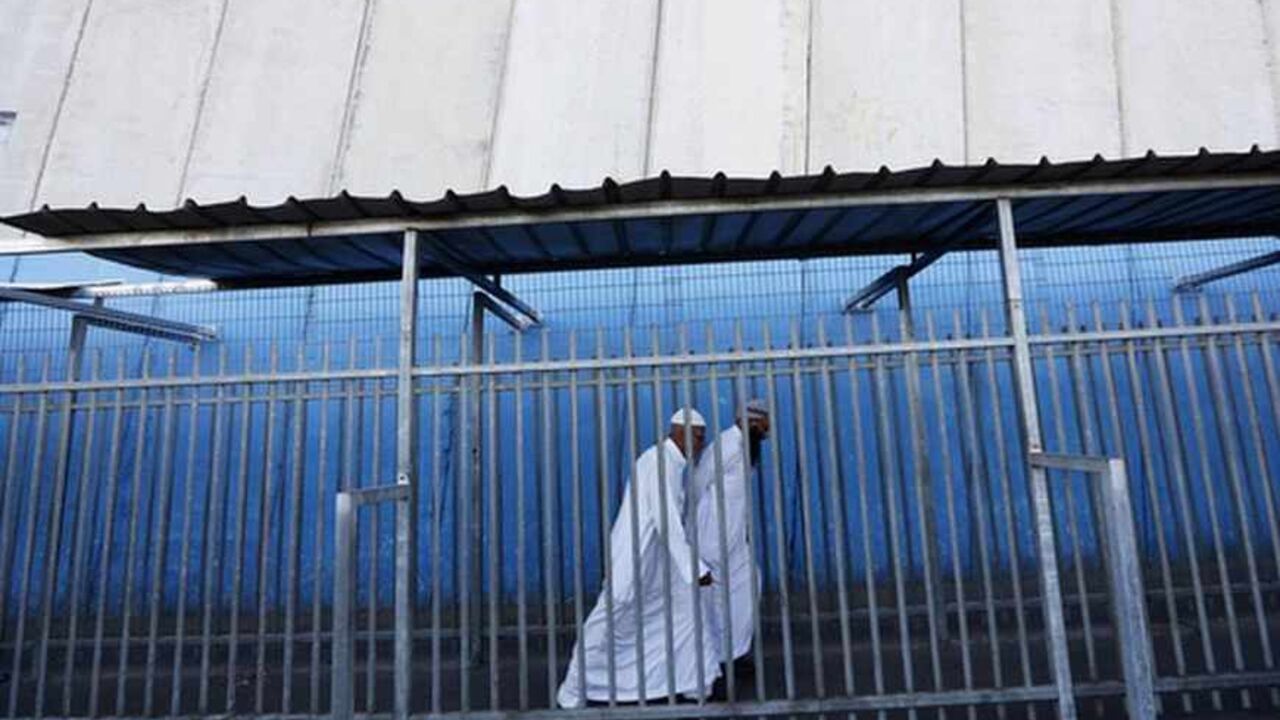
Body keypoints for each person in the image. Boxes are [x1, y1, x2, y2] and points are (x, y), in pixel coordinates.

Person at [557, 408, 723, 708]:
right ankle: (573, 690)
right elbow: (667, 521)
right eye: (697, 437)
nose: (700, 444)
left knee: (686, 610)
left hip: (658, 561)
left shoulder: (673, 464)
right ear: (679, 432)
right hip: (636, 559)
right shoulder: (658, 463)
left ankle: (694, 682)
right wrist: (694, 568)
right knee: (609, 618)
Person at [692, 399, 770, 669]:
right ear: (753, 421)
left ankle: (733, 653)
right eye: (765, 422)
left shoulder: (745, 448)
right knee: (714, 600)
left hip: (735, 539)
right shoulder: (726, 446)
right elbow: (698, 484)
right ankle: (713, 663)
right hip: (713, 539)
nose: (768, 428)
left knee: (749, 584)